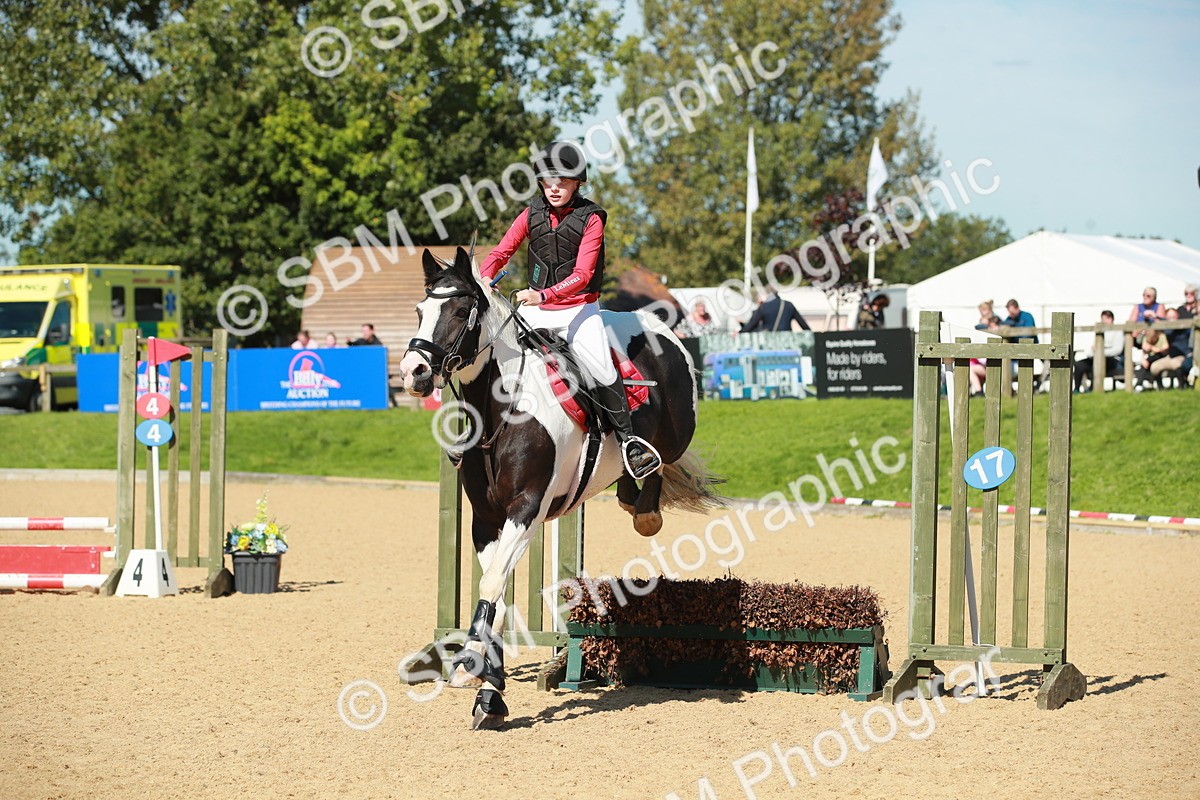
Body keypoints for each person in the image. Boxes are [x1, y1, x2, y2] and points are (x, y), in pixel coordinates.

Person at [477, 140, 660, 477]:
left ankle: (629, 443)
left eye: (562, 181)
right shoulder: (530, 213)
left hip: (579, 311)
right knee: (494, 356)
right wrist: (485, 276)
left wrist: (543, 296)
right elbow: (502, 251)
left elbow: (583, 275)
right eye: (549, 181)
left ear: (577, 183)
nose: (554, 188)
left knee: (602, 369)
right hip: (535, 311)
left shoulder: (592, 218)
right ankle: (476, 432)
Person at [1072, 310, 1123, 392]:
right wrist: (1093, 352)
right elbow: (1091, 349)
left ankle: (1093, 389)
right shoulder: (1099, 331)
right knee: (1079, 365)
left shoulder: (1118, 331)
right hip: (1095, 357)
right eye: (1103, 319)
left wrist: (1100, 353)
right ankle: (1076, 389)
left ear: (1111, 319)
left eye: (1106, 318)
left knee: (1096, 364)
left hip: (1111, 359)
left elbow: (1117, 350)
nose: (1104, 321)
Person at [740, 289, 812, 332]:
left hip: (770, 342)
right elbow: (804, 326)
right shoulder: (789, 305)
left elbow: (750, 326)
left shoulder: (764, 307)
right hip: (786, 341)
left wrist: (740, 332)